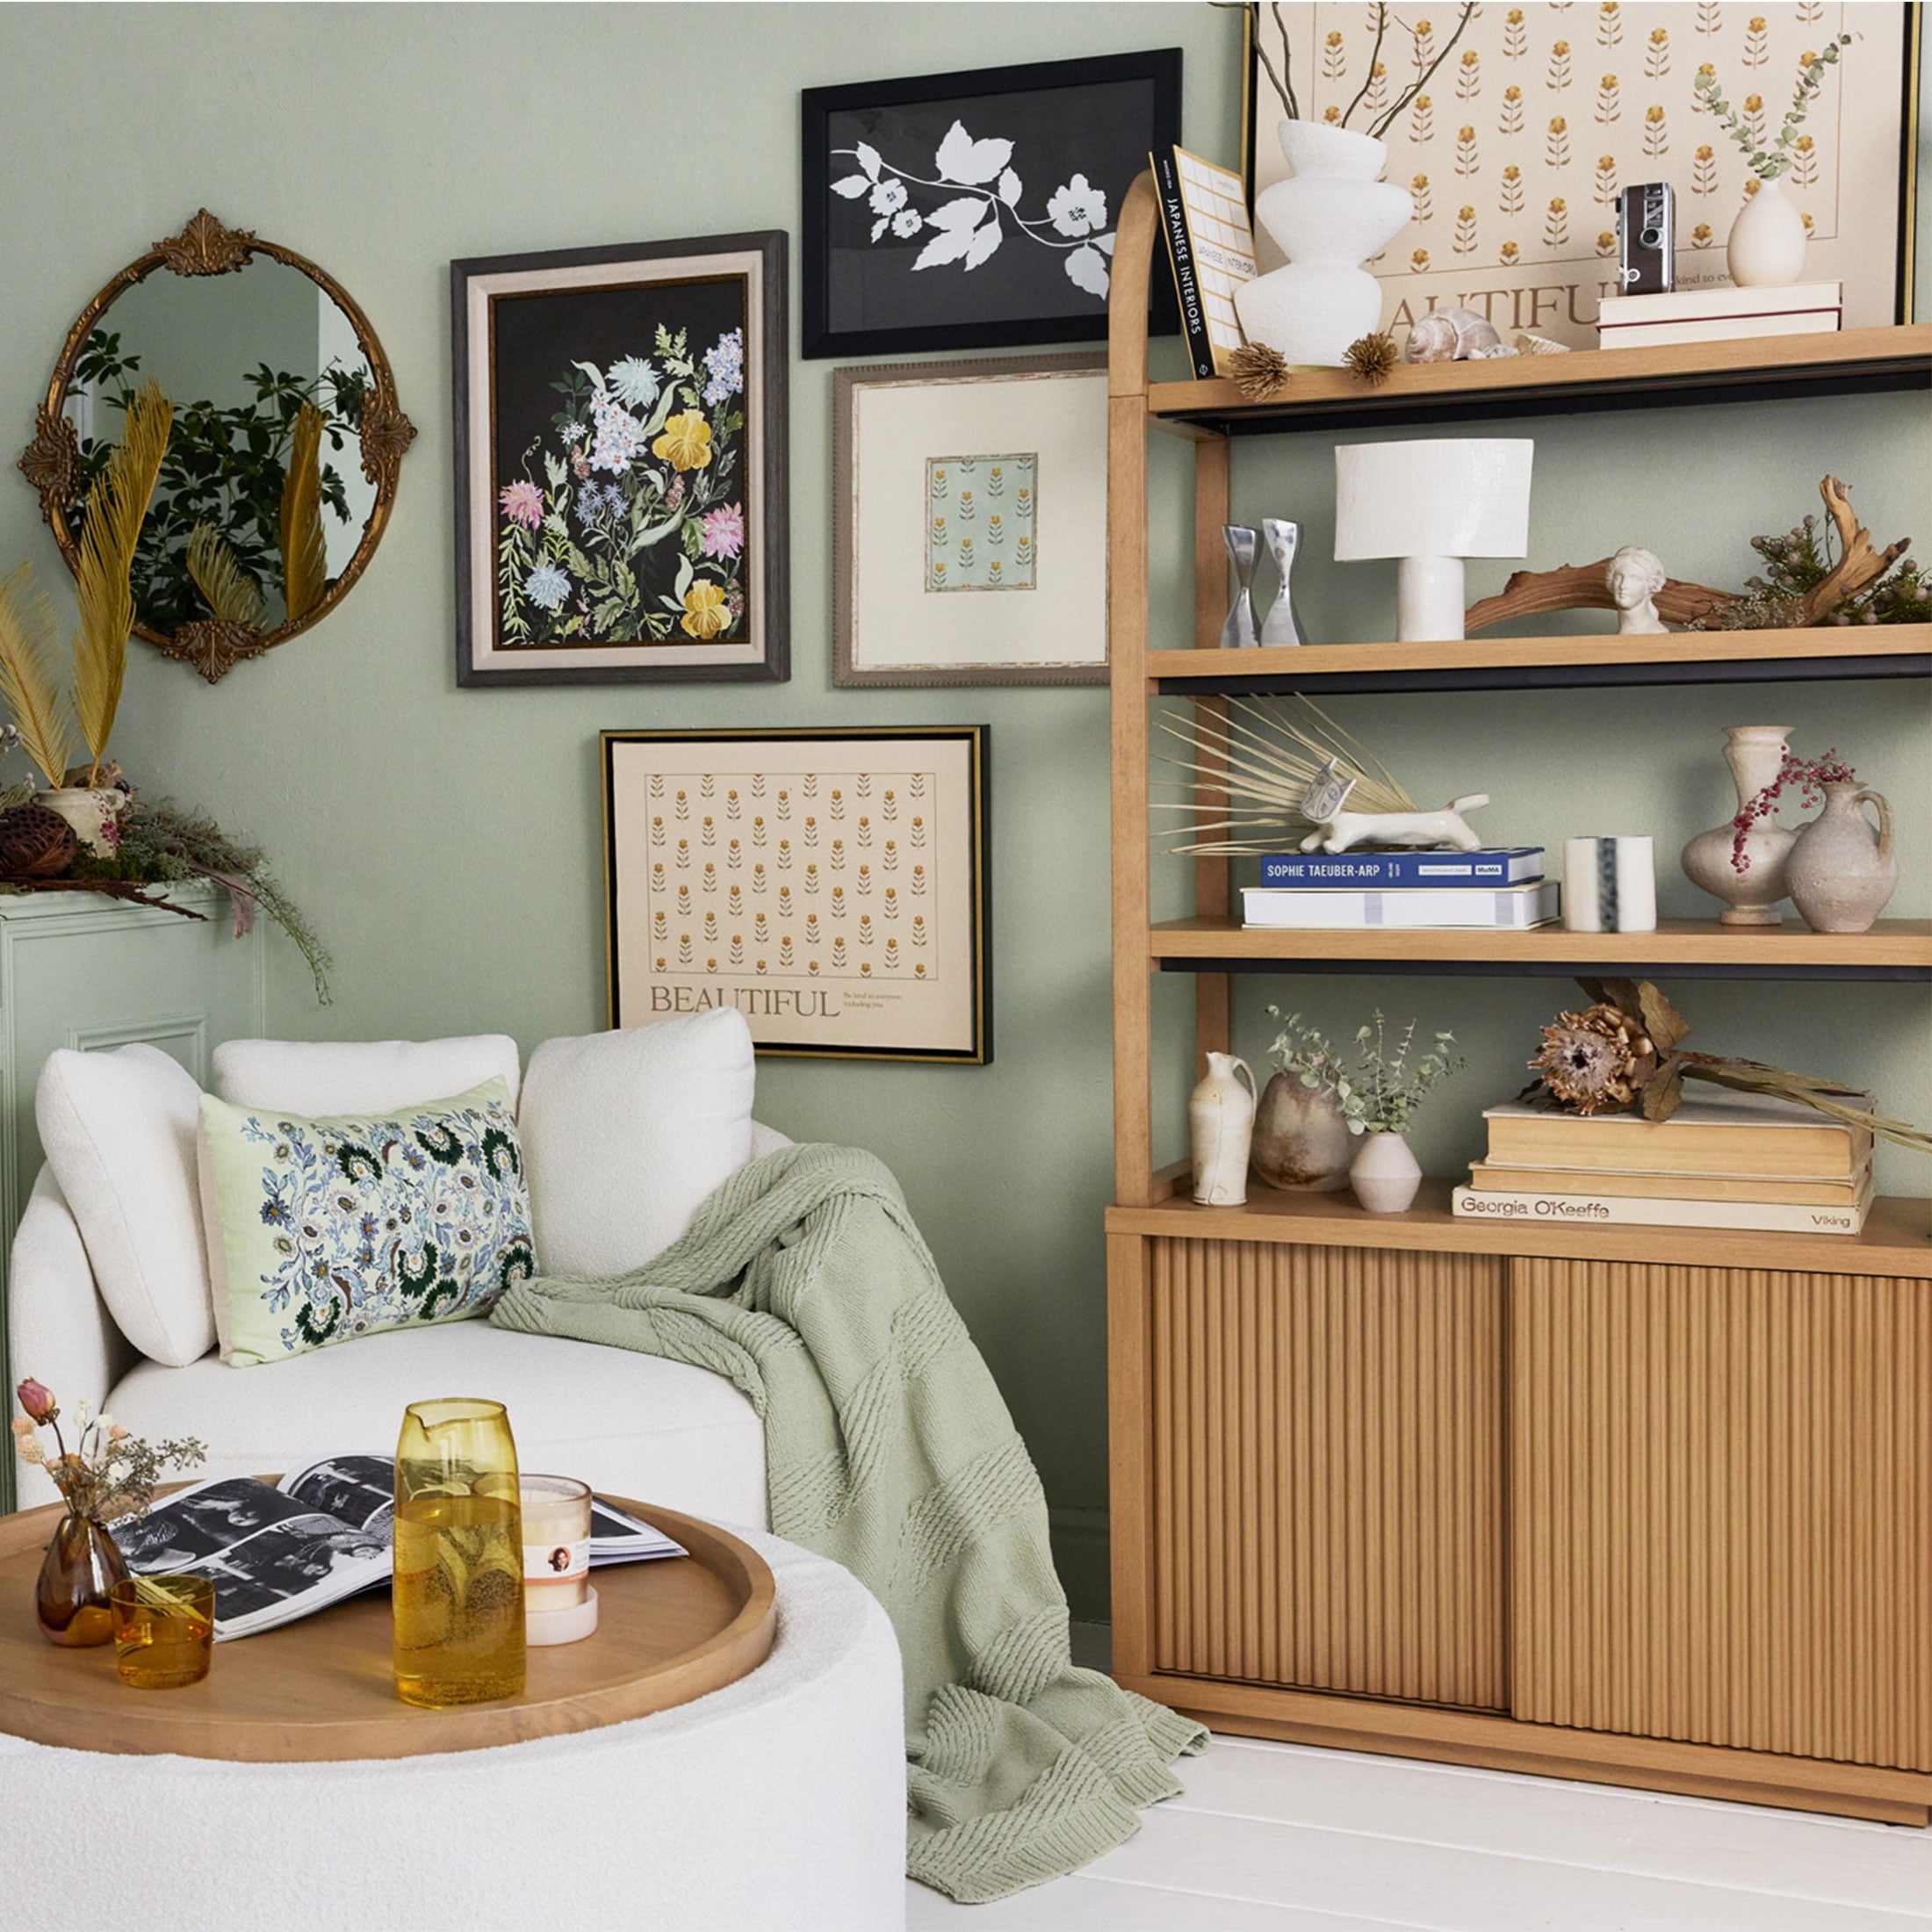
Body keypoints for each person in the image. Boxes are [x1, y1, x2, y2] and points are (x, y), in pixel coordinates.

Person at [1606, 545, 1669, 633]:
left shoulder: (1656, 633)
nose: (1623, 586)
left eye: (1634, 578)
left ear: (1650, 585)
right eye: (1618, 577)